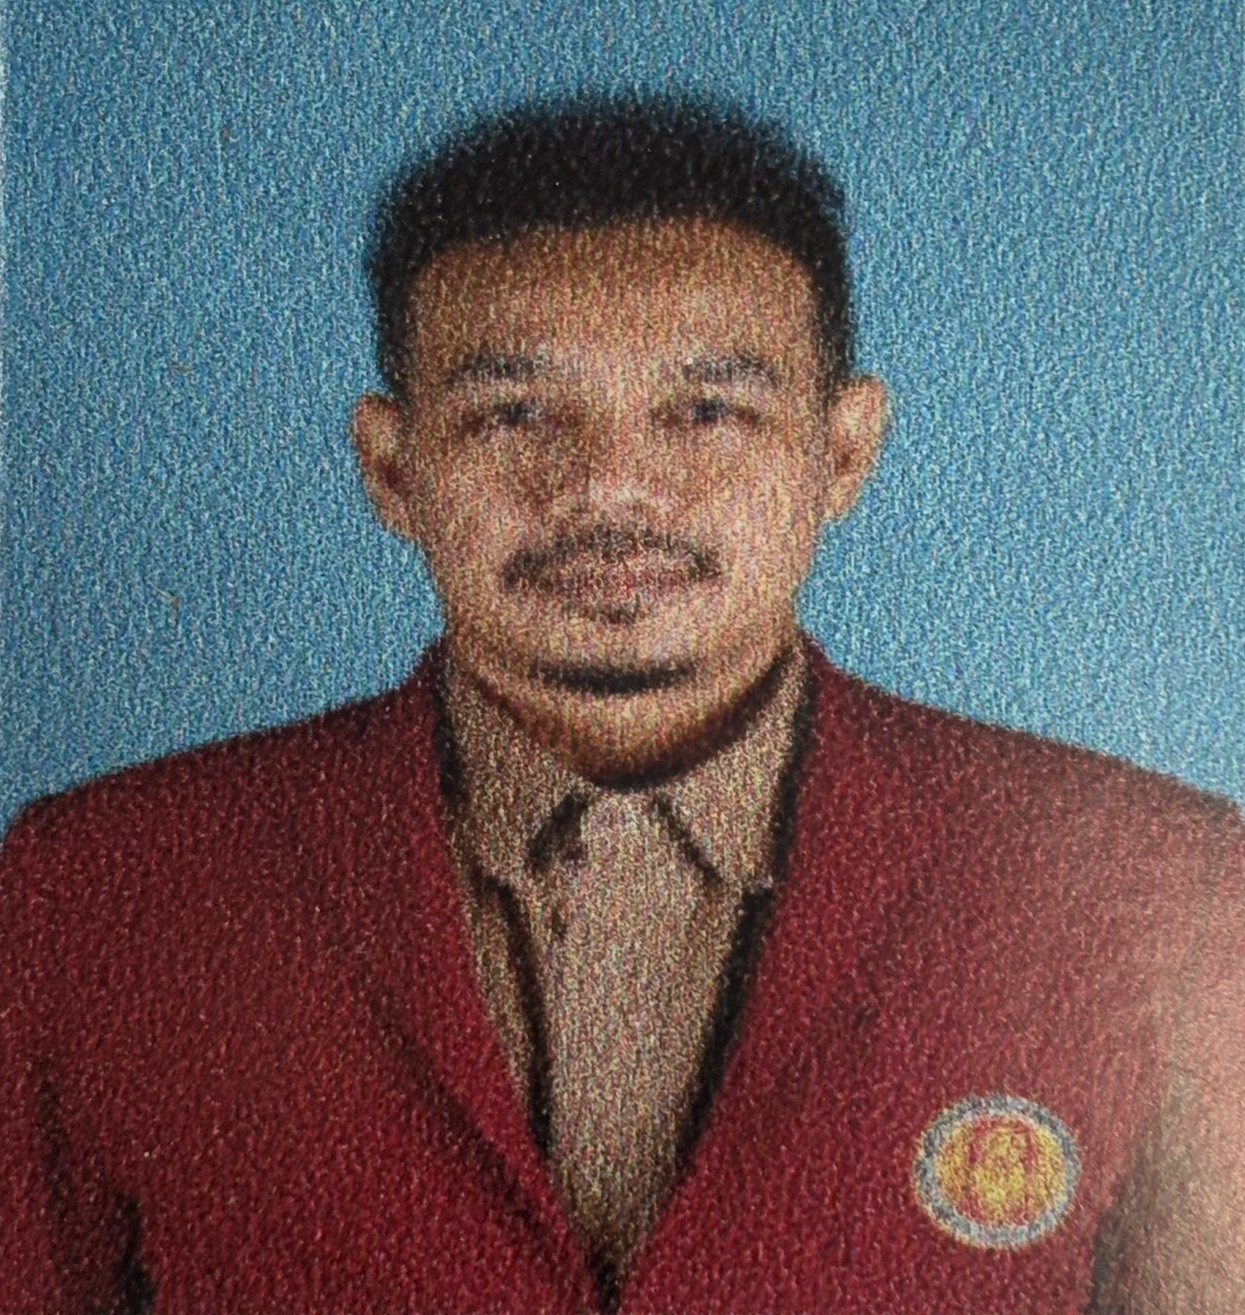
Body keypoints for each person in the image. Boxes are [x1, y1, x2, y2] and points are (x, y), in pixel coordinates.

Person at [2, 96, 1241, 1315]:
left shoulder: (1159, 893)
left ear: (843, 451)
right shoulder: (101, 886)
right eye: (515, 412)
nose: (610, 486)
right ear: (393, 465)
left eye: (707, 410)